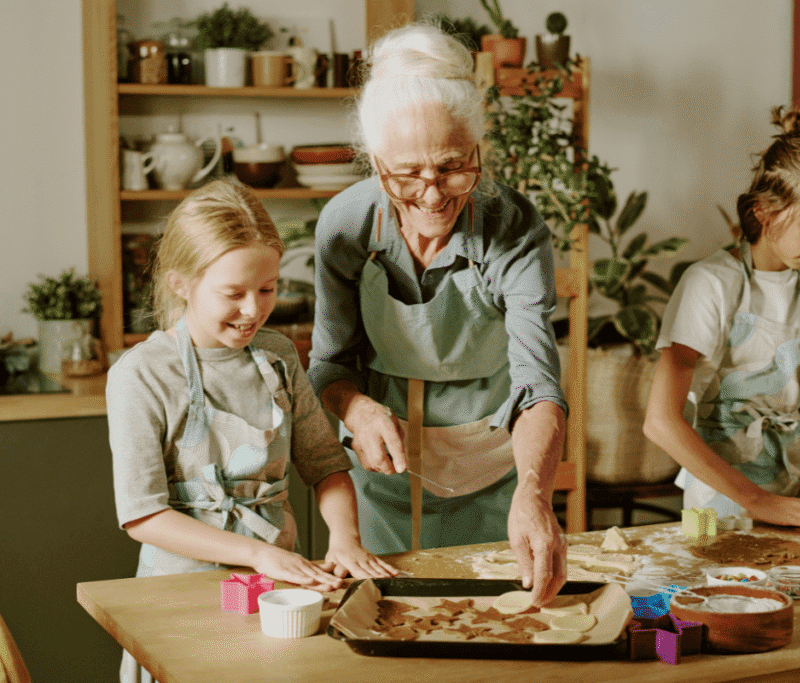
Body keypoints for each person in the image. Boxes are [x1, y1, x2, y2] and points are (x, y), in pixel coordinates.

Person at [308, 24, 569, 606]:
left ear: (478, 147)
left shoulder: (513, 227)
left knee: (494, 625)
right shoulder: (346, 227)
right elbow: (328, 362)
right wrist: (354, 405)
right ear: (375, 163)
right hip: (382, 487)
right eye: (406, 174)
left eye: (453, 166)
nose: (432, 195)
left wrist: (535, 492)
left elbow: (538, 385)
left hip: (497, 480)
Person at [108, 180, 396, 683]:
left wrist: (346, 539)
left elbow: (327, 467)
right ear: (181, 282)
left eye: (267, 289)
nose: (252, 310)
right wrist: (258, 553)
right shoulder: (141, 374)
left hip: (278, 593)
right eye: (233, 293)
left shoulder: (278, 356)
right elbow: (143, 516)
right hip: (177, 598)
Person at [644, 107, 800, 529]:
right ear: (766, 211)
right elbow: (661, 422)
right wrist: (758, 501)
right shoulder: (709, 285)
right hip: (723, 508)